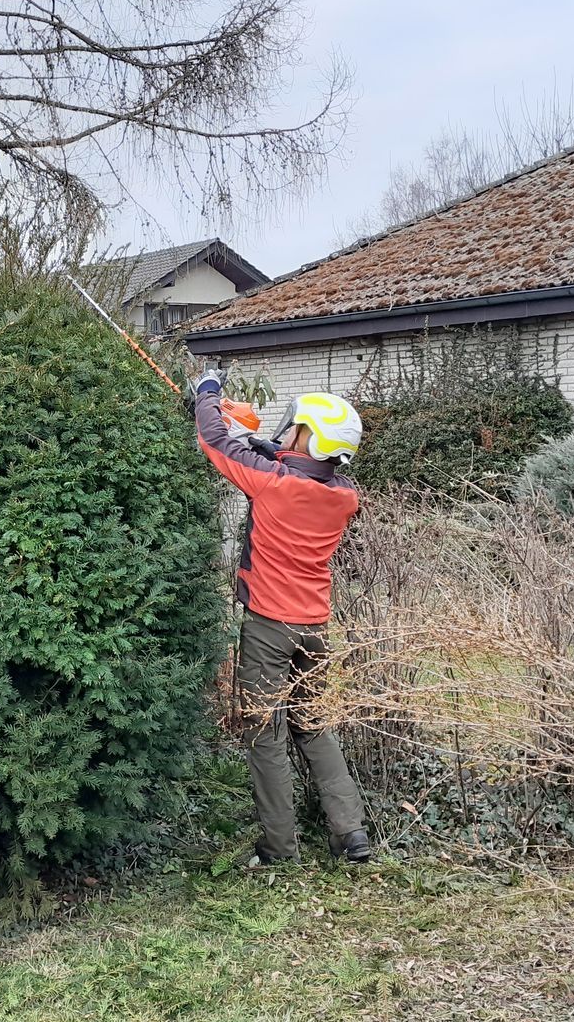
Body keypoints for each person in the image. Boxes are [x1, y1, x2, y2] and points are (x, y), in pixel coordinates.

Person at [190, 371, 372, 865]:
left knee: (264, 734)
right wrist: (262, 444)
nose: (287, 432)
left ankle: (279, 849)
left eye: (296, 428)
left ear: (311, 436)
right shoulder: (343, 496)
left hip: (268, 626)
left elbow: (213, 441)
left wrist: (208, 393)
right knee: (313, 727)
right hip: (315, 628)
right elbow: (299, 467)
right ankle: (350, 834)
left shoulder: (273, 484)